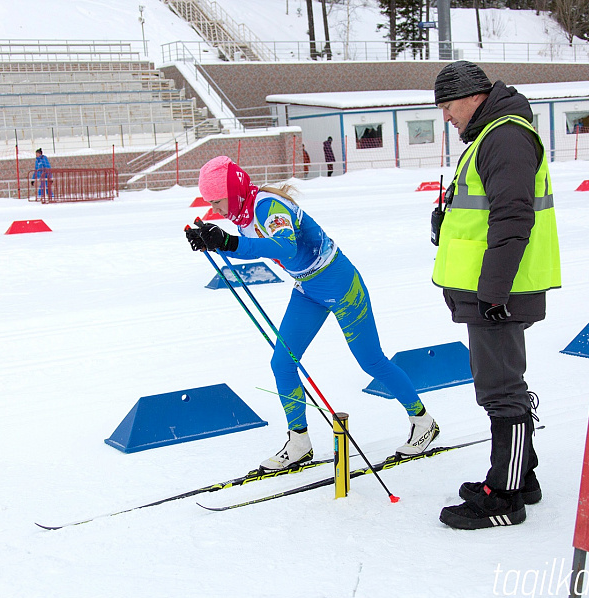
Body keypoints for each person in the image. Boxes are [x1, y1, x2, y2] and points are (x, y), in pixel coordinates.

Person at [185, 155, 440, 472]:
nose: (218, 210)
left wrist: (229, 242)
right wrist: (214, 242)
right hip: (309, 288)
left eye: (219, 201)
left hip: (341, 283)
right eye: (212, 204)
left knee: (371, 361)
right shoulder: (243, 214)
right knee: (282, 362)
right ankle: (299, 441)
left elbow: (285, 248)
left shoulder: (267, 206)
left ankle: (422, 421)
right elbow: (251, 247)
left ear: (233, 190)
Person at [430, 61, 561, 530]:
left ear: (471, 97)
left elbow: (512, 218)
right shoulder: (492, 135)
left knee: (500, 389)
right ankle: (521, 476)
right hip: (492, 288)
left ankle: (505, 495)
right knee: (501, 381)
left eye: (447, 106)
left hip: (497, 292)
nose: (446, 116)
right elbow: (485, 211)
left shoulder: (503, 136)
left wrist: (493, 292)